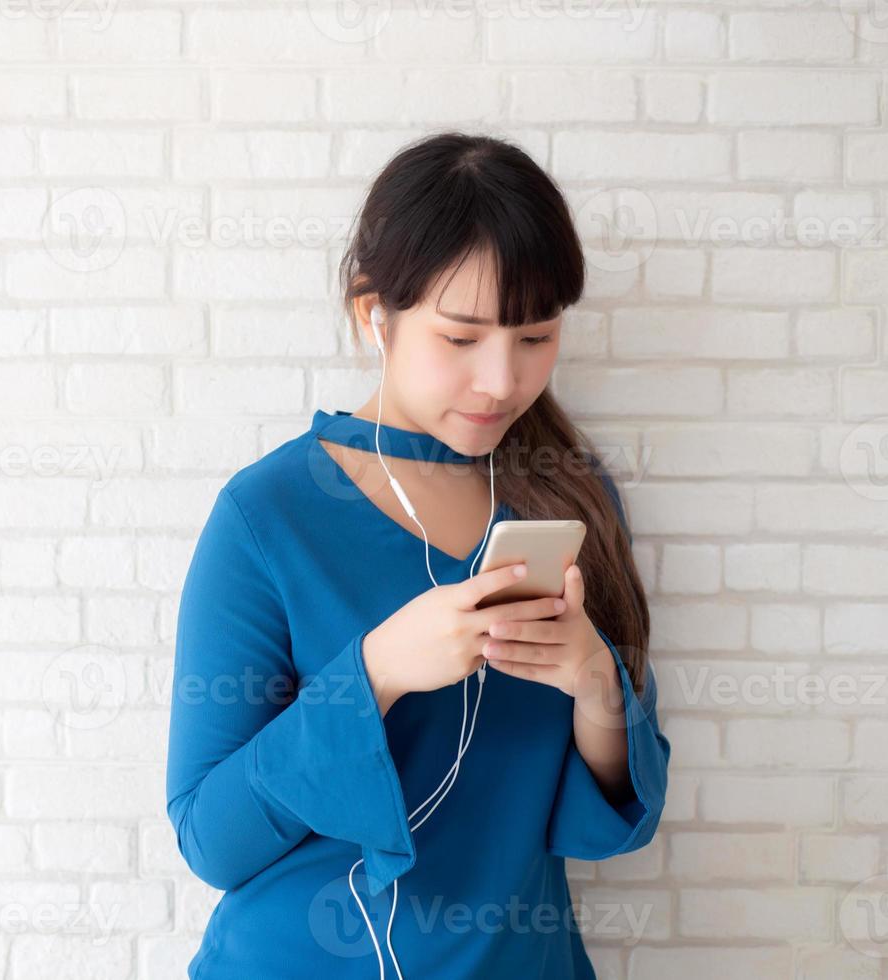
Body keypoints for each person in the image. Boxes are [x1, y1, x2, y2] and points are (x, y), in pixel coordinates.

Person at [164, 132, 669, 979]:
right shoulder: (269, 516)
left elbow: (616, 819)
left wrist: (592, 680)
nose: (502, 381)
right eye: (461, 339)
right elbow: (210, 837)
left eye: (535, 338)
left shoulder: (569, 499)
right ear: (375, 313)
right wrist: (376, 672)